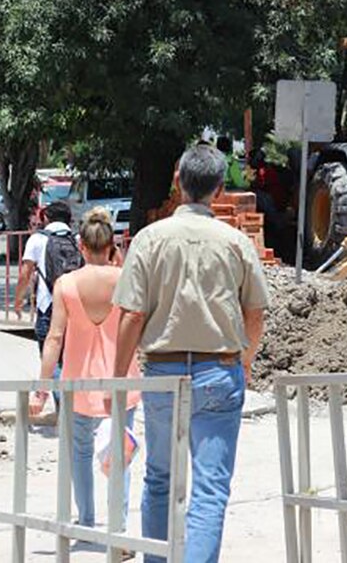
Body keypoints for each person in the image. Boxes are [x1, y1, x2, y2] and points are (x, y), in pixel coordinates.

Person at [112, 145, 270, 563]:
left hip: (162, 372)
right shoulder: (236, 242)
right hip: (218, 371)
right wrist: (246, 362)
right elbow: (255, 312)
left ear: (177, 179)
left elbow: (130, 314)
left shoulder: (149, 238)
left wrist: (118, 376)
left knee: (160, 479)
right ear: (219, 189)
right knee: (210, 488)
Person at [29, 208, 140, 557]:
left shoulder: (66, 285)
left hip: (78, 380)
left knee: (79, 451)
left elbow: (54, 339)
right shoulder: (125, 280)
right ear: (112, 245)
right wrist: (118, 262)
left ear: (80, 245)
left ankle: (87, 522)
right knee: (119, 451)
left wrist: (42, 387)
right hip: (122, 379)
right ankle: (118, 528)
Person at [14, 201, 84, 396]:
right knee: (72, 358)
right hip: (76, 306)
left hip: (48, 306)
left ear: (46, 218)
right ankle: (71, 406)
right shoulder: (78, 239)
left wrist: (18, 301)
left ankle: (62, 406)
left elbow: (25, 273)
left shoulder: (37, 239)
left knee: (51, 358)